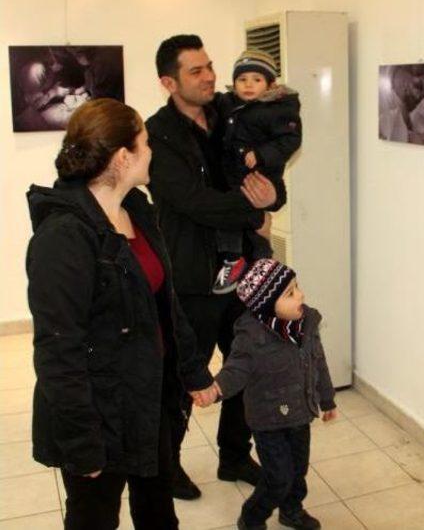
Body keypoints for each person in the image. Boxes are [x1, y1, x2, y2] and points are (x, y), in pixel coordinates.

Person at [26, 98, 217, 530]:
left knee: (157, 514)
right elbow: (59, 352)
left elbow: (165, 302)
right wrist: (81, 444)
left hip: (149, 399)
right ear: (123, 157)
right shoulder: (64, 237)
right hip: (99, 412)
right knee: (94, 519)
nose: (153, 151)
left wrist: (193, 372)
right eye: (146, 143)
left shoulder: (138, 211)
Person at [146, 34, 286, 499]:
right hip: (192, 276)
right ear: (169, 81)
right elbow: (193, 203)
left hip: (246, 270)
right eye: (196, 71)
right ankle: (168, 468)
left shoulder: (233, 112)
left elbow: (269, 170)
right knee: (185, 376)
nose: (209, 77)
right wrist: (255, 213)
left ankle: (232, 455)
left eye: (210, 66)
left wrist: (273, 197)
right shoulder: (157, 134)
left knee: (247, 366)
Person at [211, 258, 337, 530]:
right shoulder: (251, 336)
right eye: (290, 293)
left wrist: (326, 399)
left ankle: (291, 511)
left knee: (298, 471)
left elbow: (318, 362)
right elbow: (236, 369)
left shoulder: (307, 324)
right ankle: (252, 517)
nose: (300, 295)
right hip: (268, 419)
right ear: (266, 305)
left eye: (297, 287)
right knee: (278, 476)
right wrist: (216, 388)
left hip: (301, 413)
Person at [213, 49, 301, 294]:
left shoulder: (278, 109)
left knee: (249, 220)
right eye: (242, 80)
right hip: (236, 175)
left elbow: (290, 140)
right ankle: (237, 260)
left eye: (256, 80)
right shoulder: (229, 103)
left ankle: (257, 264)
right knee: (237, 218)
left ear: (270, 84)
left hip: (262, 174)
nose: (248, 85)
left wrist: (262, 154)